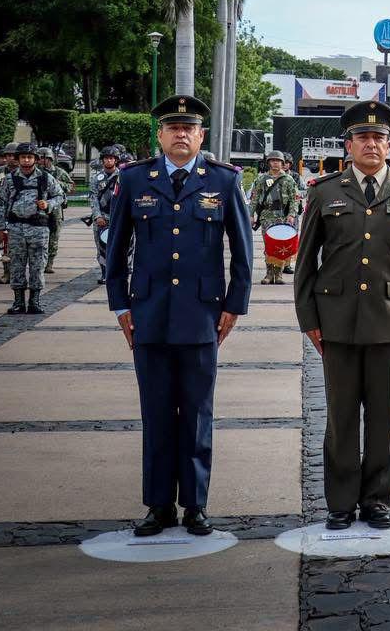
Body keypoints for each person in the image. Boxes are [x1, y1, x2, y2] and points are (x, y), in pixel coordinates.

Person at [104, 95, 252, 537]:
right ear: (161, 135)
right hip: (147, 315)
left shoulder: (223, 182)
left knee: (197, 413)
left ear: (201, 135)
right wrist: (120, 305)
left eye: (189, 128)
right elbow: (116, 252)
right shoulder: (133, 180)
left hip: (202, 316)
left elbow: (243, 252)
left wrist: (233, 306)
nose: (181, 134)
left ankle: (195, 504)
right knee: (156, 413)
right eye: (173, 128)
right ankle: (158, 505)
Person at [294, 99, 390, 531]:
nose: (371, 144)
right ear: (348, 144)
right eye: (362, 137)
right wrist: (309, 320)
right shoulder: (324, 192)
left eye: (378, 137)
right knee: (339, 416)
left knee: (383, 416)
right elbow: (305, 264)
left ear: (389, 145)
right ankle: (339, 502)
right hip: (335, 320)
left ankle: (377, 499)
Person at [0, 143, 64, 314]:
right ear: (18, 159)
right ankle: (18, 302)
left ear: (35, 159)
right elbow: (1, 204)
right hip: (16, 227)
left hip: (39, 228)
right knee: (17, 264)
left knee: (37, 264)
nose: (26, 160)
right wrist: (1, 227)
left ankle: (35, 301)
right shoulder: (9, 179)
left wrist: (48, 204)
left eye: (30, 157)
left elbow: (60, 195)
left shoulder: (45, 178)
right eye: (23, 157)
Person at [249, 150, 299, 285]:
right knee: (269, 247)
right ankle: (269, 274)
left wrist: (291, 215)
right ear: (268, 162)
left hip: (282, 217)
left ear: (283, 163)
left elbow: (295, 199)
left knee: (281, 246)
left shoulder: (288, 180)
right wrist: (251, 215)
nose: (275, 163)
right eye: (272, 160)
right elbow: (254, 198)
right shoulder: (261, 179)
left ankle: (279, 274)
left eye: (278, 161)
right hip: (266, 216)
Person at [37, 147, 73, 274]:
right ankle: (40, 262)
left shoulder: (59, 172)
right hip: (41, 207)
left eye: (43, 158)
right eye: (39, 158)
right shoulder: (36, 173)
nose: (40, 160)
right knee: (40, 236)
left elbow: (70, 186)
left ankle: (49, 263)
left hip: (56, 208)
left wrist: (57, 183)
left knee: (54, 237)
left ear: (50, 159)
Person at [89, 146, 122, 280]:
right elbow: (93, 198)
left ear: (116, 160)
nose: (108, 161)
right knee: (102, 247)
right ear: (102, 161)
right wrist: (97, 216)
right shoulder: (96, 178)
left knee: (120, 246)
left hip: (118, 218)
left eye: (111, 158)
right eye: (106, 158)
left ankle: (118, 272)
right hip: (102, 218)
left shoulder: (123, 177)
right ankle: (104, 273)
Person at [0, 143, 18, 283]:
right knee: (4, 244)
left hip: (20, 215)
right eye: (8, 155)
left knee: (20, 247)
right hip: (2, 213)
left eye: (13, 155)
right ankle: (7, 273)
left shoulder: (25, 171)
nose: (11, 158)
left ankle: (19, 274)